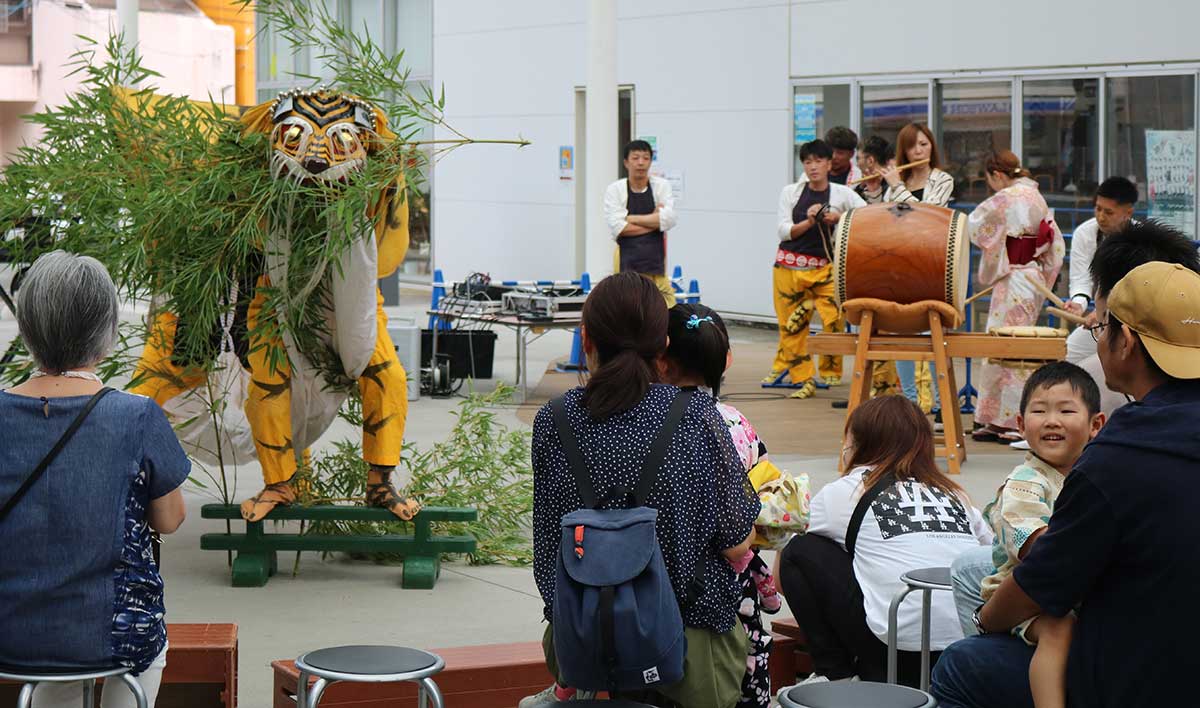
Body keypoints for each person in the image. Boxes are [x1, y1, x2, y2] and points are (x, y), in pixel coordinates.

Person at [930, 235, 1200, 708]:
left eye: (1099, 330)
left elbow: (1043, 579)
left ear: (1127, 341)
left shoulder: (1121, 455)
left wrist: (986, 619)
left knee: (962, 662)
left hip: (1146, 674)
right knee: (973, 566)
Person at [525, 272, 760, 708]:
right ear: (664, 345)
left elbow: (546, 553)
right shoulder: (697, 417)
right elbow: (735, 542)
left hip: (584, 640)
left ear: (586, 338)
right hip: (690, 646)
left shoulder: (552, 422)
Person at [0, 252, 190, 708]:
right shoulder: (136, 414)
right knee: (147, 651)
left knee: (54, 664)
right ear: (107, 334)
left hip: (10, 632)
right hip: (111, 633)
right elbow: (169, 520)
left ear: (27, 331)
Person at [775, 395, 991, 687]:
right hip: (968, 650)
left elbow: (781, 580)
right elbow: (989, 558)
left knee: (799, 550)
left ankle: (837, 676)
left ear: (858, 442)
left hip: (894, 656)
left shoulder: (846, 491)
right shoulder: (955, 495)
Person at [660, 303, 784, 708]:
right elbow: (764, 485)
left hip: (667, 581)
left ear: (662, 358)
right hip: (730, 585)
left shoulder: (651, 421)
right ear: (726, 360)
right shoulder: (734, 422)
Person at [977, 362, 1104, 708]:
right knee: (1057, 629)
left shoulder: (1094, 476)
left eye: (1066, 410)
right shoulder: (1025, 481)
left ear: (1096, 425)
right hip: (1024, 596)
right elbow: (1036, 548)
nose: (1052, 420)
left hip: (1071, 588)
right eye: (1039, 411)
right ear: (1020, 425)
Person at [968, 150, 1065, 443]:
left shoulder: (1008, 196)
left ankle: (1009, 419)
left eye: (990, 179)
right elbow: (1055, 245)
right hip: (1030, 276)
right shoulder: (1036, 196)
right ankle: (998, 419)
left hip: (1015, 277)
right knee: (1012, 343)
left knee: (1009, 345)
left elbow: (975, 224)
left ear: (997, 175)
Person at [766, 139, 866, 399]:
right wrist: (810, 222)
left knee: (835, 318)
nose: (813, 167)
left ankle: (830, 371)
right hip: (788, 267)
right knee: (791, 327)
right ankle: (803, 379)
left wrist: (838, 218)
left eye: (818, 161)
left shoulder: (842, 194)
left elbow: (866, 216)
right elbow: (784, 231)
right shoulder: (791, 191)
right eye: (808, 162)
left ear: (829, 164)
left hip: (825, 269)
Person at [881, 124, 955, 413]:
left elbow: (928, 214)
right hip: (901, 263)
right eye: (913, 146)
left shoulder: (942, 179)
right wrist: (893, 187)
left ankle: (940, 405)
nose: (919, 151)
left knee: (934, 334)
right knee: (902, 331)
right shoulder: (899, 181)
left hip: (933, 262)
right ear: (905, 151)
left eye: (924, 144)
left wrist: (896, 187)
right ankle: (910, 402)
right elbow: (887, 221)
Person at [1060, 177, 1138, 415]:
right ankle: (1069, 417)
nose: (1101, 216)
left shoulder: (1141, 239)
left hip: (1133, 322)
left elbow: (1140, 289)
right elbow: (1082, 278)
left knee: (1124, 372)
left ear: (1127, 212)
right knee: (1067, 356)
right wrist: (1079, 302)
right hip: (1102, 319)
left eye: (1109, 212)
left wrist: (1106, 312)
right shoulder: (1085, 232)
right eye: (1097, 209)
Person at [603, 140, 679, 307]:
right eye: (635, 157)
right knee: (627, 305)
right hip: (625, 258)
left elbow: (669, 219)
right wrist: (653, 219)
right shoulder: (615, 189)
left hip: (655, 258)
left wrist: (631, 218)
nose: (641, 163)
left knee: (665, 305)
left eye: (645, 158)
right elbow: (619, 228)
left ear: (651, 162)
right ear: (626, 162)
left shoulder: (661, 186)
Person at [854, 135, 893, 205]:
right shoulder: (861, 188)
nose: (857, 164)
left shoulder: (892, 187)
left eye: (858, 159)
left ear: (870, 161)